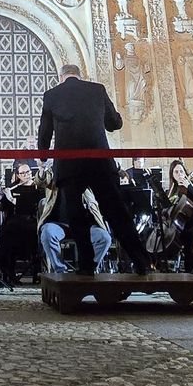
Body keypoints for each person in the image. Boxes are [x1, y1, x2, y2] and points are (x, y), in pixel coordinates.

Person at [36, 63, 152, 276]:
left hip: (69, 165)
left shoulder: (52, 95)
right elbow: (114, 124)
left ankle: (86, 265)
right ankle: (141, 260)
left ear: (61, 77)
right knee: (116, 212)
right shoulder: (97, 90)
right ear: (79, 75)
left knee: (76, 215)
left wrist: (43, 156)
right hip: (99, 162)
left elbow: (44, 131)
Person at [40, 180, 112, 273]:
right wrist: (44, 171)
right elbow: (40, 180)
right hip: (59, 225)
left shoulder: (86, 181)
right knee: (47, 232)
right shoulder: (54, 179)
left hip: (86, 226)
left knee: (104, 238)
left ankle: (89, 268)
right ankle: (60, 271)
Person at [156, 160, 193, 272]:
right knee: (156, 233)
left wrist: (189, 187)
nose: (179, 174)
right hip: (174, 225)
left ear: (185, 172)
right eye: (176, 172)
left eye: (181, 171)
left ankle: (190, 269)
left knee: (190, 235)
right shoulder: (171, 191)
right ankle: (159, 265)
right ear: (172, 175)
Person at [0, 162, 43, 284]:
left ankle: (36, 273)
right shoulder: (13, 187)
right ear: (18, 175)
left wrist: (12, 199)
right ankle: (9, 271)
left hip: (31, 220)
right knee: (6, 233)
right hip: (14, 221)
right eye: (23, 173)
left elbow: (32, 207)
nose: (26, 175)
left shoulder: (37, 187)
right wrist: (1, 200)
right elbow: (3, 207)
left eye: (28, 172)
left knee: (18, 231)